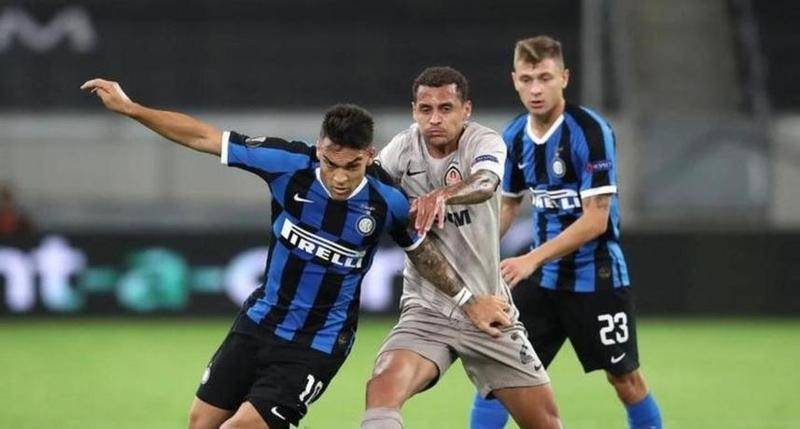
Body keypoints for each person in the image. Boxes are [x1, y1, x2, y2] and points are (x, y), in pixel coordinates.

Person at [80, 78, 510, 429]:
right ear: (319, 147)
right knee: (201, 422)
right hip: (257, 323)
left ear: (369, 157)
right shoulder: (287, 164)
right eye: (330, 163)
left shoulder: (388, 201)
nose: (339, 178)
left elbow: (422, 253)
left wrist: (469, 302)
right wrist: (131, 109)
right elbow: (203, 136)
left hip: (316, 344)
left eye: (351, 166)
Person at [469, 36, 663, 429]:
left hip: (596, 276)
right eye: (527, 79)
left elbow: (596, 219)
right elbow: (508, 205)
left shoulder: (589, 131)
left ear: (564, 78)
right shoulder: (515, 136)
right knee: (499, 376)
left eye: (545, 78)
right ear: (515, 80)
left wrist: (531, 258)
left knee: (624, 379)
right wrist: (478, 255)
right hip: (543, 280)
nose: (536, 89)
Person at [361, 67, 562, 429]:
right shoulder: (402, 150)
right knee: (381, 391)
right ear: (413, 111)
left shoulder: (484, 142)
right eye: (426, 109)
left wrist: (441, 195)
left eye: (446, 108)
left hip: (488, 310)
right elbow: (368, 191)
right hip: (427, 310)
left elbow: (485, 183)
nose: (435, 119)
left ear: (466, 110)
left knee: (545, 423)